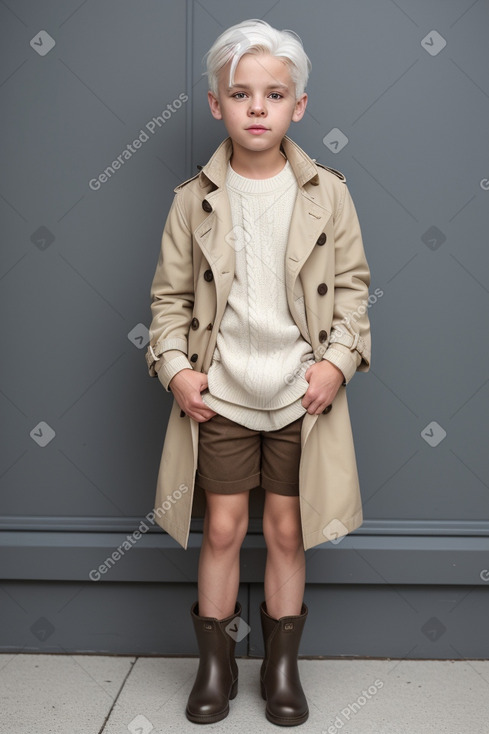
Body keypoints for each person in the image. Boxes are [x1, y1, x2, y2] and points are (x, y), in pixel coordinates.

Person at [145, 18, 371, 726]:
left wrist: (335, 364)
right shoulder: (193, 199)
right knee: (220, 529)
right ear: (216, 103)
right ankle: (213, 670)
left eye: (273, 95)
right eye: (239, 94)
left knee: (283, 530)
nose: (256, 108)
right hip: (224, 395)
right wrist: (178, 372)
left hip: (301, 395)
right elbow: (168, 301)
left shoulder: (327, 194)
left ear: (296, 105)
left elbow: (355, 294)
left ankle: (280, 671)